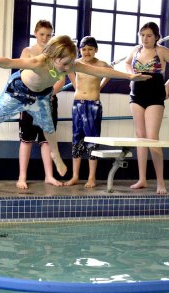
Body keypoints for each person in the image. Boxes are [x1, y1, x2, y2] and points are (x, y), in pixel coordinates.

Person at [0, 35, 151, 177]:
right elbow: (7, 61)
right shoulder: (39, 62)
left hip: (40, 96)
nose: (67, 69)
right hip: (19, 91)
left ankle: (55, 155)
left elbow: (99, 72)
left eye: (69, 64)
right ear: (52, 57)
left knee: (49, 128)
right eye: (63, 64)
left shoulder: (71, 64)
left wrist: (130, 76)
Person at [125, 22, 169, 194]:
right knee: (140, 136)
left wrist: (167, 84)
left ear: (156, 37)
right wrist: (130, 75)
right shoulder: (135, 50)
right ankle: (142, 179)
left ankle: (160, 182)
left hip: (155, 95)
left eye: (149, 35)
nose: (145, 38)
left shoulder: (161, 51)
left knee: (152, 137)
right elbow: (127, 64)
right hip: (136, 94)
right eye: (142, 35)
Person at [17, 20, 65, 189]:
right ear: (35, 33)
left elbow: (61, 78)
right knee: (27, 139)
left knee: (47, 140)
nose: (45, 38)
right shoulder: (28, 52)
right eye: (42, 34)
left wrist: (49, 94)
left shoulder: (56, 55)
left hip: (48, 101)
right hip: (29, 100)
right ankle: (22, 176)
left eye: (48, 35)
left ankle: (49, 176)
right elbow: (23, 75)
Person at [64, 36, 112, 188]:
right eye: (84, 49)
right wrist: (75, 84)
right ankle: (75, 176)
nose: (87, 52)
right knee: (76, 140)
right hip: (78, 104)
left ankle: (92, 177)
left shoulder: (101, 64)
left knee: (92, 141)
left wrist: (99, 87)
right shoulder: (76, 64)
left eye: (90, 49)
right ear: (79, 50)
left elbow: (111, 73)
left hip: (93, 105)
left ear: (96, 50)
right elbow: (68, 71)